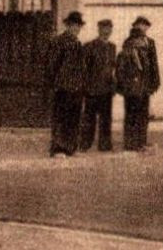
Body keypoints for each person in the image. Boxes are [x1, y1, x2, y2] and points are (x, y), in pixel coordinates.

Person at [45, 11, 89, 157]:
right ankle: (58, 149)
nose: (76, 28)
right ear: (68, 26)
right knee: (61, 118)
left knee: (74, 117)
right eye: (74, 25)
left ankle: (70, 148)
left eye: (78, 26)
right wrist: (56, 83)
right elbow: (52, 65)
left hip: (77, 88)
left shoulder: (78, 43)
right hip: (63, 87)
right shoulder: (59, 41)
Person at [114, 15, 160, 151]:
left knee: (143, 115)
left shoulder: (149, 43)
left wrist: (155, 82)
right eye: (140, 25)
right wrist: (124, 86)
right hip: (132, 87)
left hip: (144, 85)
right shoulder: (128, 46)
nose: (143, 28)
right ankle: (130, 143)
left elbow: (153, 65)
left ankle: (141, 142)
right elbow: (122, 69)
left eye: (145, 25)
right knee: (131, 114)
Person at [78, 19, 117, 151]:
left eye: (109, 28)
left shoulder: (112, 47)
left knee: (106, 118)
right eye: (104, 28)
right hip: (92, 89)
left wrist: (113, 85)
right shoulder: (89, 46)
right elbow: (83, 68)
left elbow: (112, 68)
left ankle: (105, 145)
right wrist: (86, 86)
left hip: (107, 89)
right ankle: (85, 144)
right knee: (89, 118)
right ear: (99, 29)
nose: (107, 31)